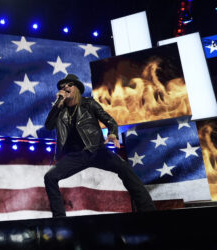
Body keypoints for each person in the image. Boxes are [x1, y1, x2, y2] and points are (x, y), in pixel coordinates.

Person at [44, 74, 156, 217]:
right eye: (62, 86)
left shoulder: (89, 104)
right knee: (50, 177)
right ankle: (59, 219)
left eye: (69, 84)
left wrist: (113, 134)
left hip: (96, 150)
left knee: (124, 169)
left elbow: (110, 121)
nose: (65, 87)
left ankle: (148, 211)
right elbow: (48, 126)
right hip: (76, 156)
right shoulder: (60, 110)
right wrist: (57, 105)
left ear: (77, 88)